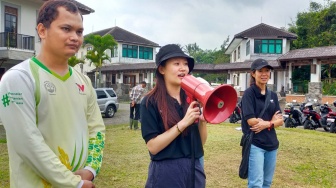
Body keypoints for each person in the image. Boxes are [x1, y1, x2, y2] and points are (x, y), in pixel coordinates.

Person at [0, 1, 105, 187]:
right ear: (42, 30)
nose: (75, 37)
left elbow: (97, 129)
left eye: (79, 32)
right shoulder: (19, 78)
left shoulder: (84, 81)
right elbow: (27, 142)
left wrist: (90, 169)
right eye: (66, 29)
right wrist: (73, 182)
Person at [140, 44, 207, 188]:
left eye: (185, 64)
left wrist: (202, 122)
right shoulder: (150, 102)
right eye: (176, 64)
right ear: (162, 69)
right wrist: (183, 123)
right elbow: (153, 147)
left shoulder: (192, 98)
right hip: (166, 172)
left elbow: (200, 143)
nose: (183, 68)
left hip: (194, 167)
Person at [240, 58, 284, 188]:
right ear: (253, 74)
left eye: (267, 71)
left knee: (267, 183)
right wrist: (272, 121)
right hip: (256, 144)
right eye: (260, 71)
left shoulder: (273, 95)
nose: (264, 74)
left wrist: (267, 124)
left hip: (272, 144)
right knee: (256, 184)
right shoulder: (249, 94)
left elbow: (280, 120)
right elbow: (251, 120)